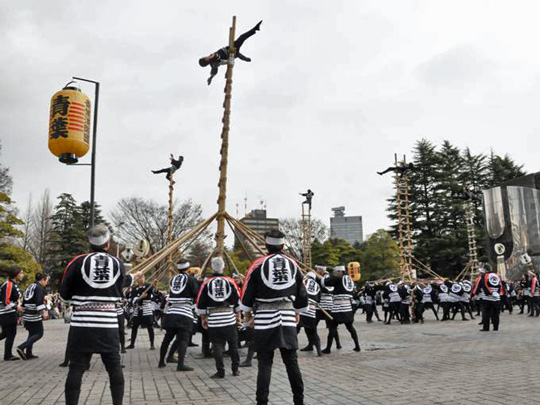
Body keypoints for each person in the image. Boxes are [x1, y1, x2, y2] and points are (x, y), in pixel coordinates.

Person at [60, 224, 126, 405]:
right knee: (113, 367)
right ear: (107, 244)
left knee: (76, 368)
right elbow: (120, 290)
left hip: (82, 323)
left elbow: (64, 294)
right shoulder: (118, 263)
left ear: (89, 243)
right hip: (108, 323)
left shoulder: (77, 262)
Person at [241, 229, 308, 405]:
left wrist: (247, 314)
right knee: (291, 361)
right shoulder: (293, 264)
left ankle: (261, 401)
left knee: (264, 363)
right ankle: (299, 401)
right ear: (283, 245)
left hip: (264, 316)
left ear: (266, 245)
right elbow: (302, 291)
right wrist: (297, 312)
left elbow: (247, 292)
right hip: (287, 314)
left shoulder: (257, 264)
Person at [196, 257, 242, 378]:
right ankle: (235, 369)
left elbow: (200, 303)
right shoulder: (230, 281)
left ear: (212, 268)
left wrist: (203, 318)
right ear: (224, 268)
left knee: (217, 345)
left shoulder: (206, 283)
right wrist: (238, 316)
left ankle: (220, 371)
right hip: (229, 317)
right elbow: (237, 300)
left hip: (214, 318)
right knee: (233, 344)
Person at [158, 260, 199, 371]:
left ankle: (161, 361)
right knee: (183, 340)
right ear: (188, 268)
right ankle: (180, 364)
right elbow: (196, 294)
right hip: (185, 312)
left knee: (167, 338)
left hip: (172, 312)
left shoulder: (173, 279)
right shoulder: (191, 279)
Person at [199, 20, 263, 85]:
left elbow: (213, 72)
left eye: (204, 57)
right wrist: (211, 76)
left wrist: (210, 77)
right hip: (230, 53)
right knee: (241, 39)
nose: (205, 56)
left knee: (240, 48)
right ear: (206, 60)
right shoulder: (213, 63)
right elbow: (215, 69)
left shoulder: (211, 57)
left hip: (230, 48)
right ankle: (255, 29)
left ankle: (246, 58)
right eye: (204, 58)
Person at [321, 266, 360, 353]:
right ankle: (357, 346)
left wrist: (324, 276)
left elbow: (326, 282)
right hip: (348, 308)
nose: (335, 274)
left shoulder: (339, 279)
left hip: (338, 308)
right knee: (350, 328)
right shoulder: (350, 280)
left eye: (336, 272)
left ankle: (328, 348)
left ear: (340, 272)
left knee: (332, 328)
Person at [17, 273, 49, 360]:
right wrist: (44, 311)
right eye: (46, 280)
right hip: (33, 313)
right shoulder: (39, 288)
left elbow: (24, 298)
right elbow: (39, 301)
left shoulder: (30, 286)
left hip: (26, 312)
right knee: (39, 333)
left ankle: (28, 353)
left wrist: (21, 314)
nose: (46, 283)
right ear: (42, 279)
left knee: (31, 333)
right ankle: (22, 347)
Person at [126, 274, 157, 350]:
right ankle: (132, 343)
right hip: (137, 309)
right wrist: (140, 297)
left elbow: (155, 293)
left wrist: (155, 285)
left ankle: (152, 344)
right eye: (139, 277)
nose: (141, 279)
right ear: (136, 279)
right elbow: (132, 299)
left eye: (142, 277)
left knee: (150, 326)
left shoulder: (148, 286)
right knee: (134, 327)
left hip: (146, 308)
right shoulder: (134, 288)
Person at [0, 267, 24, 361]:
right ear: (16, 274)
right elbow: (6, 301)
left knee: (6, 333)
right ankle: (8, 354)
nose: (22, 275)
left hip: (8, 312)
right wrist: (16, 307)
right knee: (11, 333)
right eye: (21, 273)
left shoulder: (12, 284)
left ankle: (8, 354)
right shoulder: (9, 284)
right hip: (6, 313)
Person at [299, 271, 322, 356]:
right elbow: (319, 299)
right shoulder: (317, 285)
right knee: (312, 331)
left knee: (295, 330)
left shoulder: (304, 280)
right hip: (312, 310)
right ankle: (318, 350)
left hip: (302, 308)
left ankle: (290, 349)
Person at [480, 266, 504, 332]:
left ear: (485, 269)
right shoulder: (496, 276)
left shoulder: (485, 275)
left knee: (486, 313)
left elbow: (484, 285)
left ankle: (486, 327)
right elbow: (500, 285)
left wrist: (489, 292)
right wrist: (497, 293)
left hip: (487, 297)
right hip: (496, 297)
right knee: (496, 314)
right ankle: (496, 327)